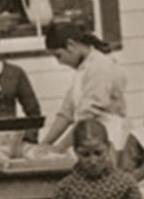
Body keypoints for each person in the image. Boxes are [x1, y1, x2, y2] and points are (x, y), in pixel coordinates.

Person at [39, 24, 128, 152]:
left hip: (111, 141)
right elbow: (66, 113)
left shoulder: (100, 66)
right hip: (89, 141)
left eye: (59, 55)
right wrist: (44, 145)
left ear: (70, 45)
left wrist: (58, 149)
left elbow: (87, 117)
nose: (60, 62)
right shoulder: (82, 70)